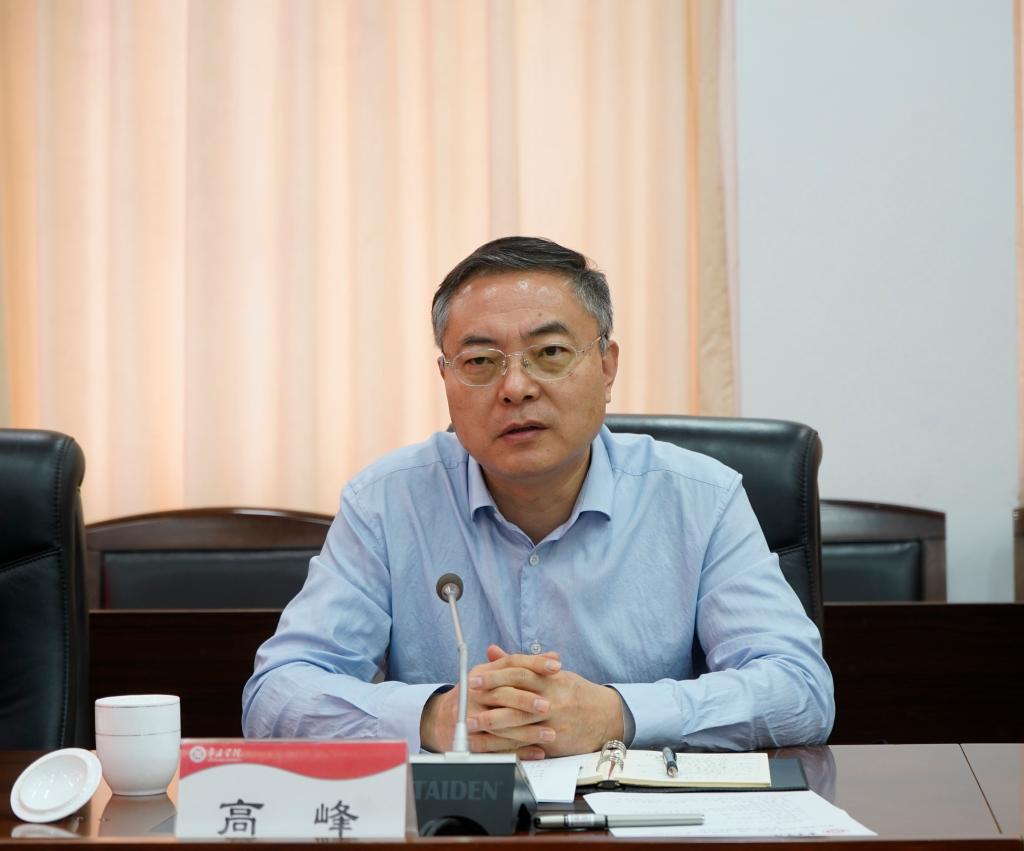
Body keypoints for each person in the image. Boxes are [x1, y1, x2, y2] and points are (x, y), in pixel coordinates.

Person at [242, 236, 834, 757]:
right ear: (445, 378)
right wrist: (435, 717)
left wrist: (616, 715)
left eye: (550, 353)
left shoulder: (701, 498)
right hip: (458, 825)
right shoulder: (385, 502)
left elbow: (800, 690)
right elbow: (275, 694)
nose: (516, 387)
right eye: (480, 361)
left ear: (607, 366)